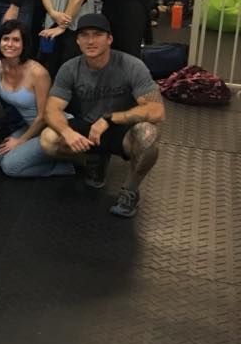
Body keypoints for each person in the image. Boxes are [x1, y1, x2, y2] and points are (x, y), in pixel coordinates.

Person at [40, 13, 166, 218]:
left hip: (120, 129)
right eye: (85, 35)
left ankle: (130, 190)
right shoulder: (70, 68)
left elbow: (157, 111)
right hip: (88, 128)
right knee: (48, 139)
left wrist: (109, 119)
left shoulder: (131, 65)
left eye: (97, 35)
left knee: (148, 136)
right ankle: (94, 159)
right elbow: (51, 109)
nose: (91, 41)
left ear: (109, 39)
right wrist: (66, 132)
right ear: (78, 40)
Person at [0, 20, 73, 178]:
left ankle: (66, 166)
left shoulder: (38, 73)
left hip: (50, 127)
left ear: (24, 44)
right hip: (31, 126)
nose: (10, 44)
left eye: (16, 40)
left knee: (10, 167)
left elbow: (43, 116)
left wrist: (21, 140)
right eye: (5, 39)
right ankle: (32, 156)